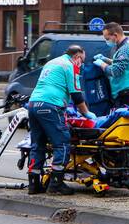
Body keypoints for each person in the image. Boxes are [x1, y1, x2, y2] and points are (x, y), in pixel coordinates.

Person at [27, 44, 86, 196]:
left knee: (37, 144)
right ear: (77, 57)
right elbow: (77, 95)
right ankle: (56, 184)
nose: (82, 64)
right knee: (62, 143)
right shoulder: (70, 66)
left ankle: (33, 185)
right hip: (50, 105)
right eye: (82, 60)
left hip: (33, 104)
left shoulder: (52, 62)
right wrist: (86, 113)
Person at [97, 22, 129, 108]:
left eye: (107, 38)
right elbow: (123, 64)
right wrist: (105, 59)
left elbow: (115, 71)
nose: (106, 41)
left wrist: (101, 64)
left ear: (115, 35)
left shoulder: (124, 49)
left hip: (126, 95)